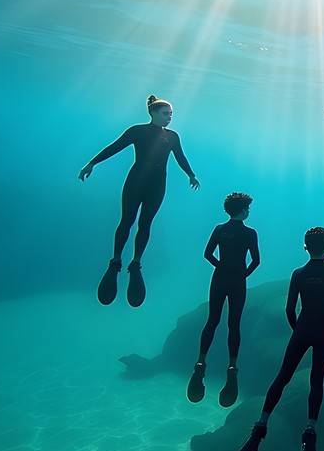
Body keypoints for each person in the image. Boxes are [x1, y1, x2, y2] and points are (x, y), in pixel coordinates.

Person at [231, 226, 324, 451]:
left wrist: (298, 329)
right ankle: (310, 430)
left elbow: (289, 308)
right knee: (316, 381)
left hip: (302, 331)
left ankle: (260, 425)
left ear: (305, 247)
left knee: (282, 377)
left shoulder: (298, 274)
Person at [79, 94, 199, 307]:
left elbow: (180, 157)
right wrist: (92, 163)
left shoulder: (172, 137)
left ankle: (136, 263)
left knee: (145, 223)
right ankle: (116, 261)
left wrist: (191, 174)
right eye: (165, 114)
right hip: (135, 182)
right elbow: (114, 147)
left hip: (157, 185)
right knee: (127, 221)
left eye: (171, 114)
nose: (169, 117)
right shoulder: (138, 131)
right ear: (152, 113)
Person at [188, 192, 261, 407]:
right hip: (238, 280)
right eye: (248, 208)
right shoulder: (250, 233)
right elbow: (256, 261)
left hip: (218, 279)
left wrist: (220, 266)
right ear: (243, 210)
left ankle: (201, 361)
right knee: (234, 325)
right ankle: (232, 367)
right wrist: (242, 274)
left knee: (212, 320)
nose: (249, 211)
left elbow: (207, 254)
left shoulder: (220, 229)